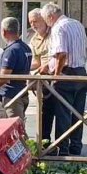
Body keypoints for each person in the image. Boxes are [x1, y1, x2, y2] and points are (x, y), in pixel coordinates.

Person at [41, 2, 87, 156]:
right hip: (81, 72)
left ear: (50, 16)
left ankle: (63, 149)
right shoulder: (77, 24)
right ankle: (76, 147)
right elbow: (84, 49)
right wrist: (48, 66)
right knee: (78, 114)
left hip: (66, 74)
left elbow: (62, 53)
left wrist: (56, 74)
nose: (47, 24)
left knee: (62, 114)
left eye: (46, 20)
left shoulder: (58, 27)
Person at [28, 8, 55, 139]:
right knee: (46, 111)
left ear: (44, 20)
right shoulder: (34, 40)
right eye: (30, 22)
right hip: (44, 80)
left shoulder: (54, 33)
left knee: (62, 112)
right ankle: (45, 141)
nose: (33, 25)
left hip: (58, 74)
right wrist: (24, 67)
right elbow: (36, 62)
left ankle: (64, 146)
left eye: (35, 21)